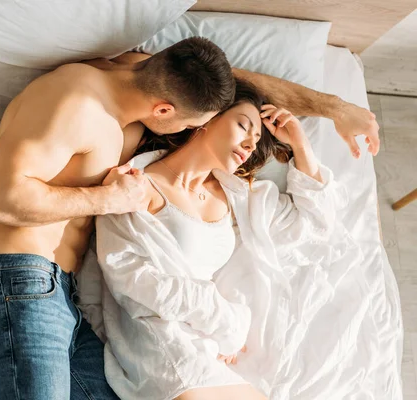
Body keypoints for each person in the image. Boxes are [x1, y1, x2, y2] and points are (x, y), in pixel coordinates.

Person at [0, 36, 378, 400]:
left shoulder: (147, 76)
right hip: (10, 281)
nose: (201, 127)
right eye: (202, 120)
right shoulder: (75, 101)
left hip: (65, 301)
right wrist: (107, 200)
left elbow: (237, 86)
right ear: (167, 111)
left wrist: (334, 108)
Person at [89, 80, 344, 400]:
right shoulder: (137, 186)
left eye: (255, 139)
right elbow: (131, 278)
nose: (250, 145)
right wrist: (226, 323)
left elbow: (317, 225)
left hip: (212, 347)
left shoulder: (241, 197)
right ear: (207, 119)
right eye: (243, 126)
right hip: (164, 344)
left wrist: (300, 145)